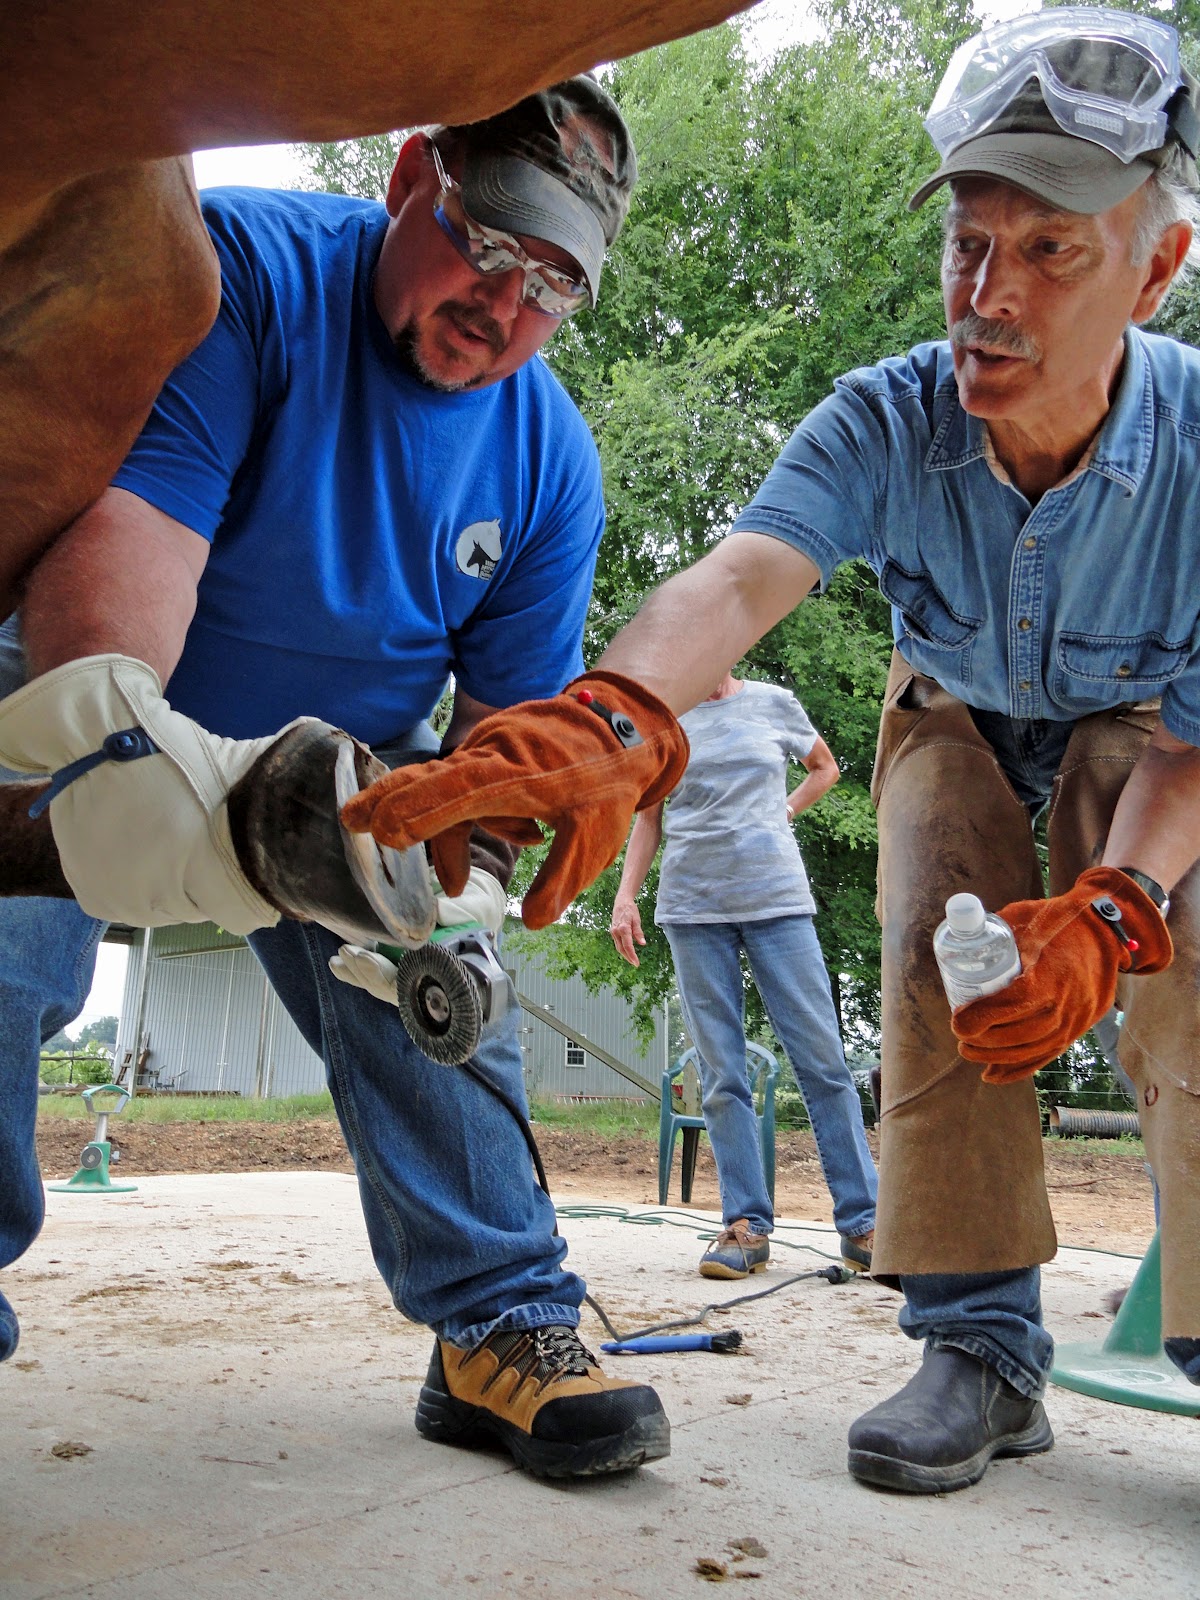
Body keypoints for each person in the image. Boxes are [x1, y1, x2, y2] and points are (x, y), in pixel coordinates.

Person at [343, 7, 1200, 1495]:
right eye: (967, 246)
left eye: (1051, 252)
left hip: (1159, 730)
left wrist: (1121, 903)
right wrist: (620, 712)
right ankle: (980, 1350)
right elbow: (739, 581)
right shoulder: (885, 420)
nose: (985, 297)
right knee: (941, 921)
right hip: (955, 699)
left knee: (1189, 954)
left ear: (1159, 268)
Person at [0, 77, 687, 1482]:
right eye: (490, 244)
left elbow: (499, 749)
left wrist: (470, 861)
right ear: (406, 178)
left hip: (342, 776)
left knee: (438, 951)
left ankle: (502, 1317)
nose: (509, 308)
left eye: (555, 282)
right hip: (118, 696)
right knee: (5, 943)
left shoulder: (551, 462)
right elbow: (125, 568)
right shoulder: (237, 277)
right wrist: (125, 755)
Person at [609, 670, 877, 1278]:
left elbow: (825, 767)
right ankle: (746, 1225)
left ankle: (863, 1221)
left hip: (777, 901)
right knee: (722, 1073)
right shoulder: (661, 720)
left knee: (824, 1062)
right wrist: (626, 899)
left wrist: (786, 808)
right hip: (692, 909)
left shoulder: (773, 702)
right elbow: (646, 819)